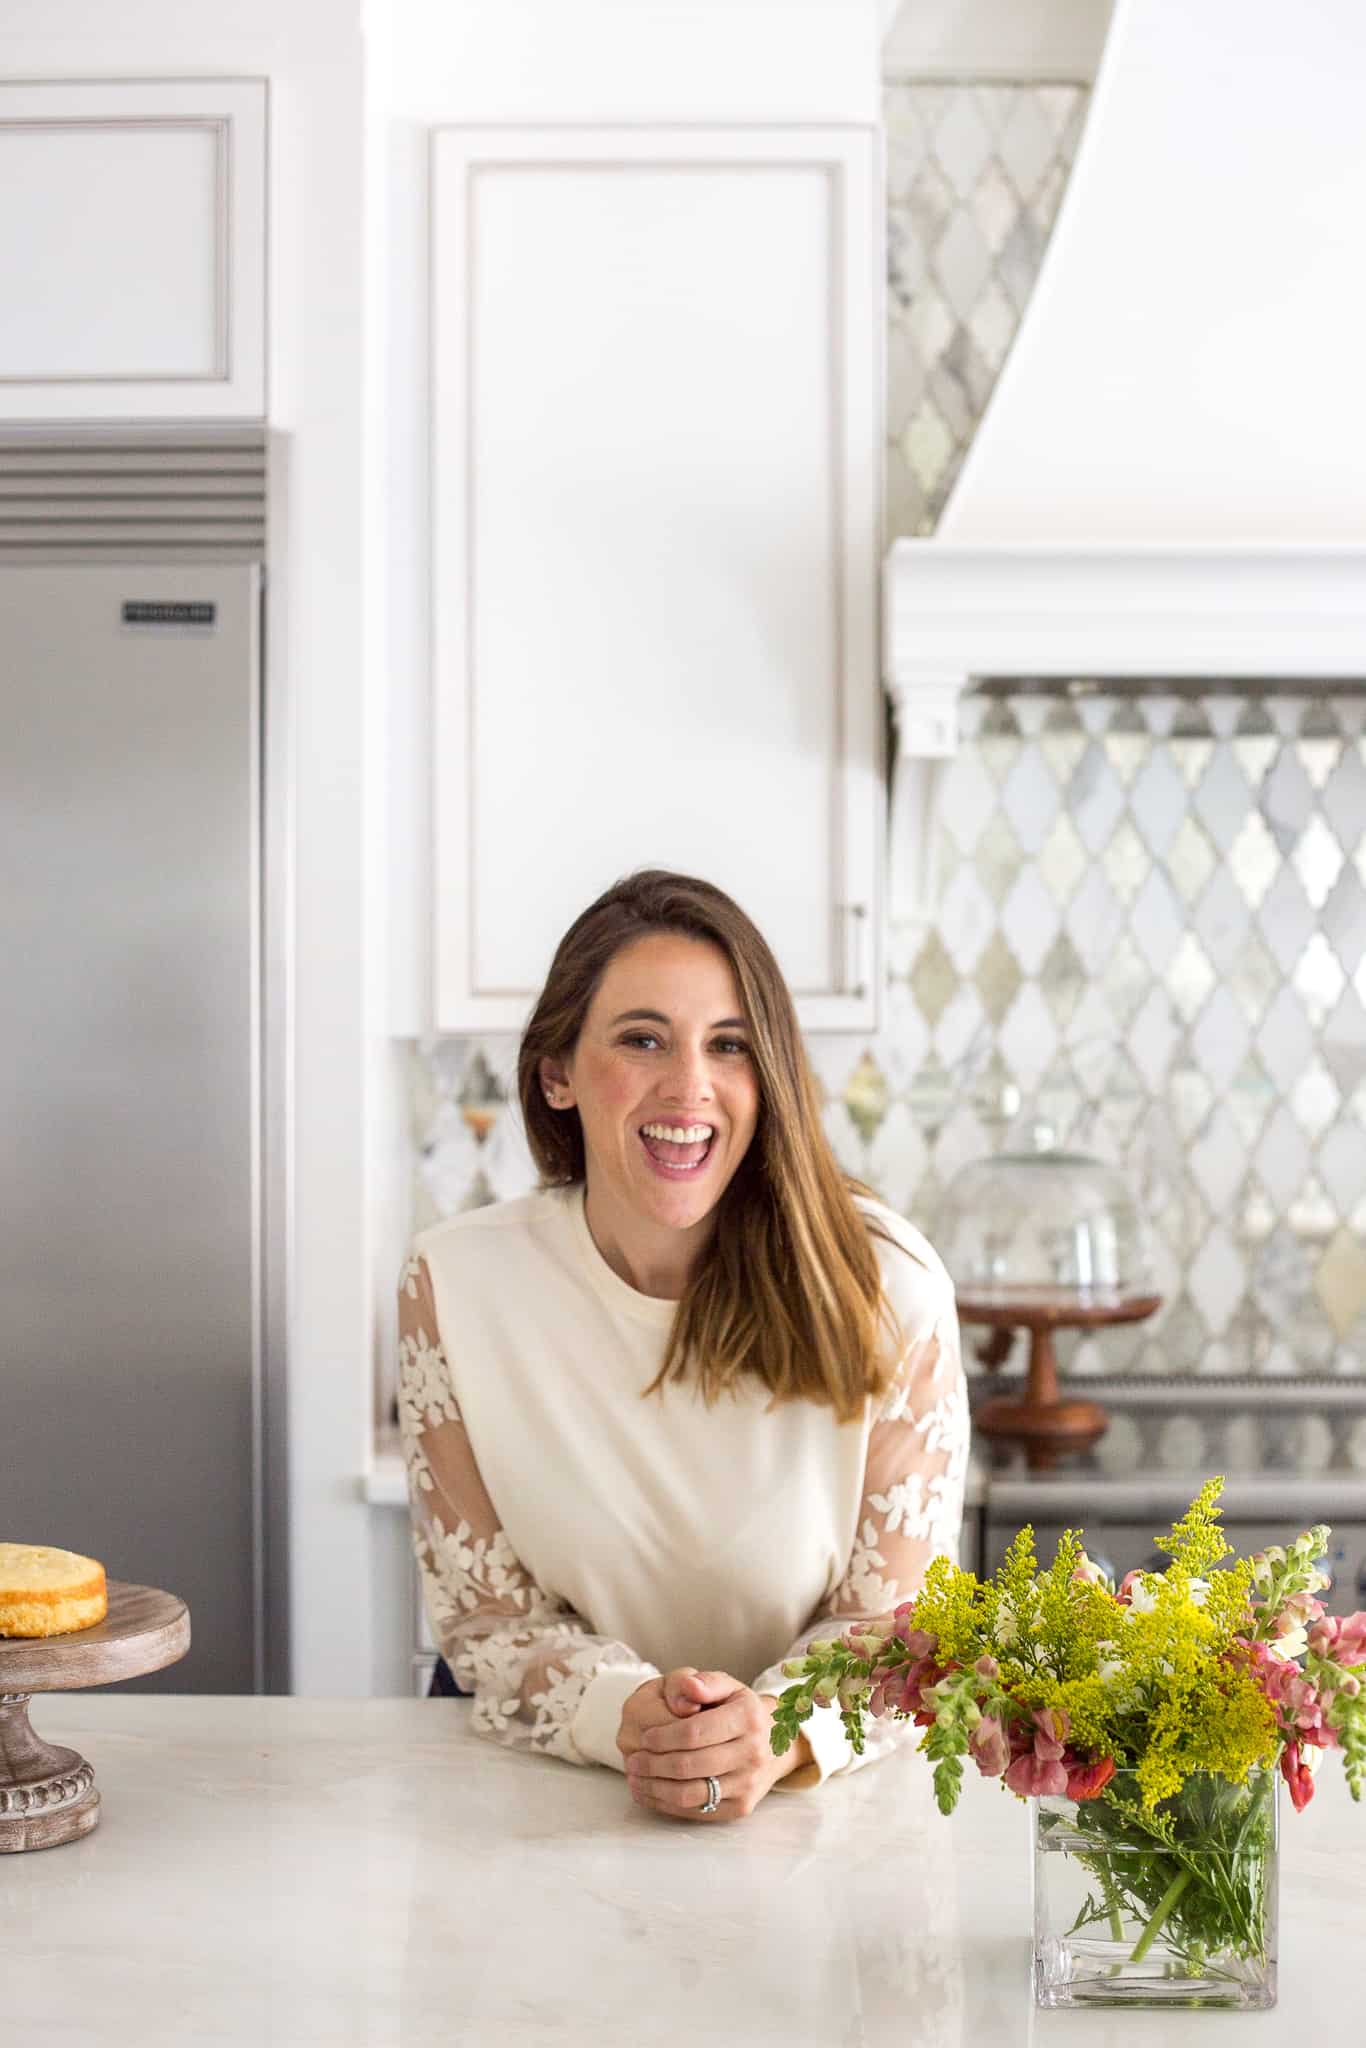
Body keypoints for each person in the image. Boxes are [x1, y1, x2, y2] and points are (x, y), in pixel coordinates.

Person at [396, 868, 969, 1823]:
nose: (690, 1087)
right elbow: (488, 1624)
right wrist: (633, 1716)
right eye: (643, 1039)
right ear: (558, 1072)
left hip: (819, 1819)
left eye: (729, 1045)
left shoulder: (889, 1285)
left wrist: (772, 1733)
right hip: (544, 1805)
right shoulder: (454, 1285)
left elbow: (898, 1632)